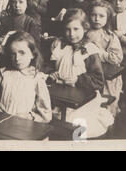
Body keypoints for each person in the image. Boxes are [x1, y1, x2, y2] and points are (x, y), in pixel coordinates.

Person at [48, 8, 113, 138]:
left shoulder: (89, 50)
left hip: (83, 98)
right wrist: (51, 73)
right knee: (51, 122)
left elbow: (98, 81)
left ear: (85, 28)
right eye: (68, 29)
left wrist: (78, 79)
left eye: (76, 29)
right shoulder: (59, 45)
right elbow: (48, 66)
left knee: (75, 126)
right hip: (60, 96)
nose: (71, 34)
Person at [0, 31, 52, 123]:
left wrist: (29, 117)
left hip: (23, 127)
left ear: (32, 54)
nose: (17, 58)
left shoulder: (36, 78)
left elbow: (46, 114)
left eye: (22, 53)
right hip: (1, 122)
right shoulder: (4, 74)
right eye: (13, 54)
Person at [87, 0, 123, 117]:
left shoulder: (111, 37)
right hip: (90, 75)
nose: (97, 19)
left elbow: (117, 58)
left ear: (108, 18)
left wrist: (99, 52)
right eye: (94, 15)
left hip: (108, 79)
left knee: (108, 106)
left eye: (101, 16)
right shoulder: (85, 33)